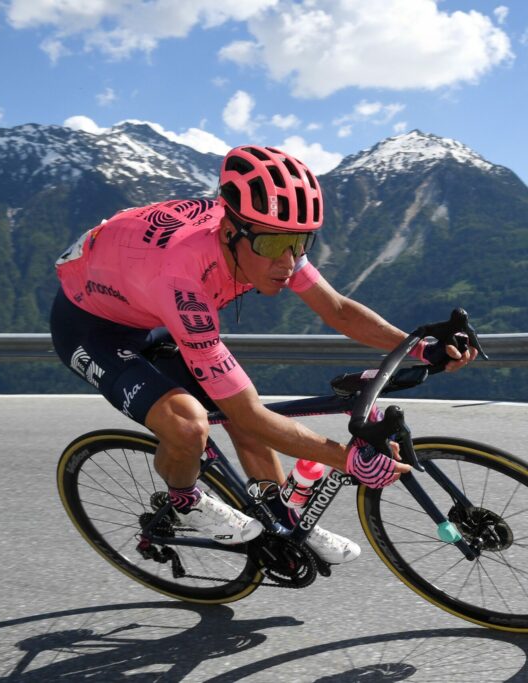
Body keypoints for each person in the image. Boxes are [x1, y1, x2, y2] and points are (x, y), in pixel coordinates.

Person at [49, 144, 476, 564]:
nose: (288, 262)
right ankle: (184, 500)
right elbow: (250, 413)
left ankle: (282, 517)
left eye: (301, 242)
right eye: (276, 246)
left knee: (238, 406)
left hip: (147, 305)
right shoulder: (185, 278)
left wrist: (423, 347)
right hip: (92, 328)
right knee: (189, 425)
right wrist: (349, 460)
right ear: (231, 233)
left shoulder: (267, 235)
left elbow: (339, 311)